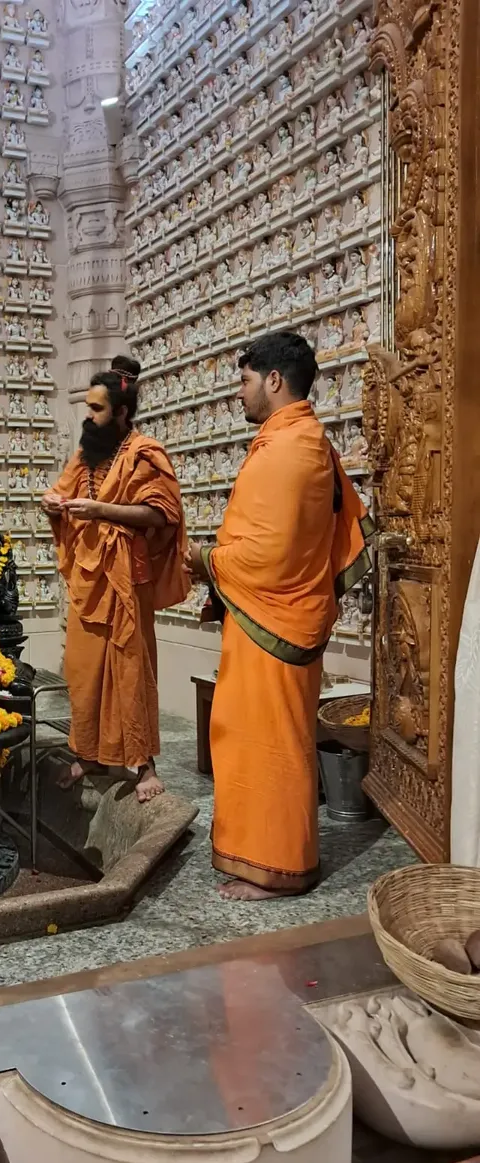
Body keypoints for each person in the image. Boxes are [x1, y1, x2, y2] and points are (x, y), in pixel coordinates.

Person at [186, 332, 372, 901]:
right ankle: (258, 858)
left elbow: (271, 554)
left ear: (273, 380)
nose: (239, 393)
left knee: (273, 747)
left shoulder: (291, 448)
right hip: (270, 616)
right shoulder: (299, 441)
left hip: (275, 620)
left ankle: (281, 868)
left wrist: (203, 559)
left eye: (245, 381)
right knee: (250, 739)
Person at [42, 356, 189, 802]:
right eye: (87, 407)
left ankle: (144, 765)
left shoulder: (144, 452)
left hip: (126, 577)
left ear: (122, 412)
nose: (88, 416)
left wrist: (101, 510)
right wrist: (52, 504)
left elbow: (161, 514)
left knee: (130, 669)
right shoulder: (85, 454)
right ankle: (88, 754)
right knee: (83, 671)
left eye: (97, 409)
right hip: (88, 578)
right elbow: (62, 492)